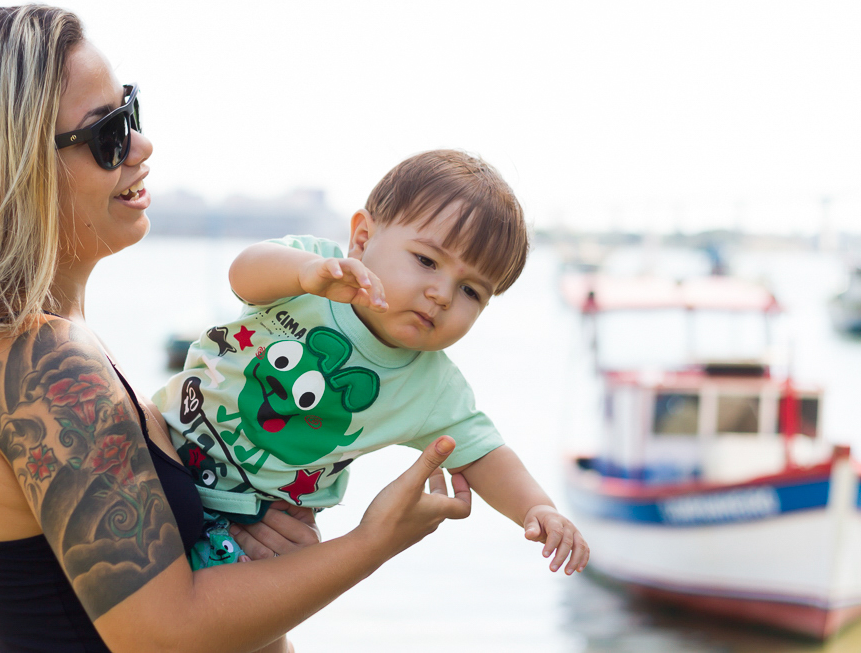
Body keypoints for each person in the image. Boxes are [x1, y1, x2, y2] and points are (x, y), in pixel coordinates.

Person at [0, 5, 474, 653]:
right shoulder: (42, 360)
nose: (142, 146)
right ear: (11, 172)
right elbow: (163, 632)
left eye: (132, 110)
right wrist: (375, 539)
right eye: (108, 134)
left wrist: (257, 561)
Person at [154, 150, 590, 575]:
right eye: (426, 260)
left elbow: (486, 456)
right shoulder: (315, 271)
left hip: (254, 525)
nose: (442, 293)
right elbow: (244, 274)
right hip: (161, 445)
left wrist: (538, 507)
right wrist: (307, 272)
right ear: (362, 239)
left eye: (471, 291)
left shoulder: (432, 387)